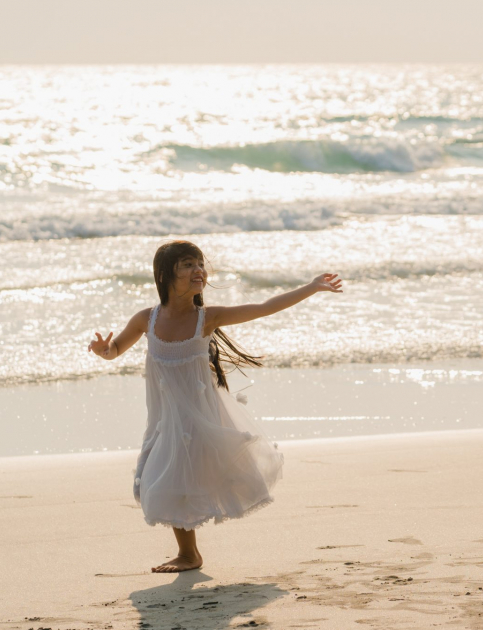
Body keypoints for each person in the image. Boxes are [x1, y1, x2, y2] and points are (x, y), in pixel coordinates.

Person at [87, 240, 343, 572]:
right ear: (165, 275)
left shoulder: (206, 318)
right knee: (165, 479)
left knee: (181, 477)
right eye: (187, 265)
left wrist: (311, 287)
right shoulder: (146, 320)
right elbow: (115, 351)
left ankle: (189, 555)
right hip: (165, 418)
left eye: (199, 264)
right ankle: (189, 553)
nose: (198, 271)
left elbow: (265, 306)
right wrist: (103, 350)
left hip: (200, 417)